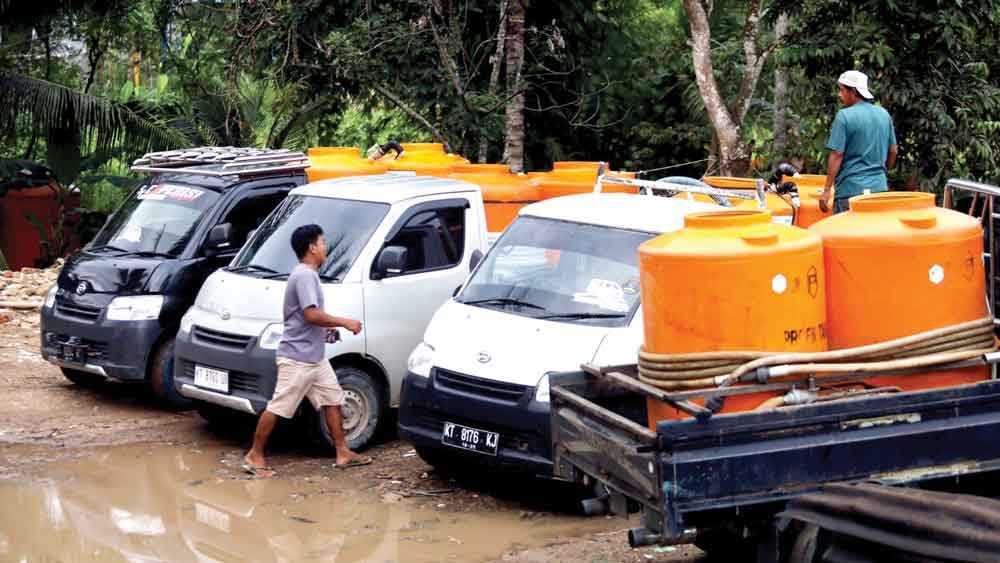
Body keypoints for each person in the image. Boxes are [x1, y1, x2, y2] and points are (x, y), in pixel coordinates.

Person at [243, 224, 371, 476]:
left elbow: (305, 319)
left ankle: (342, 452)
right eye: (322, 243)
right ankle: (254, 456)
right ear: (312, 248)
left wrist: (326, 333)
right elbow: (310, 314)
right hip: (297, 358)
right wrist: (345, 322)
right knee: (279, 406)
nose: (326, 248)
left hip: (314, 358)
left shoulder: (307, 275)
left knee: (333, 399)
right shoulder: (304, 275)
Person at [819, 70, 898, 214]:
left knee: (847, 236)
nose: (839, 95)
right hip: (878, 191)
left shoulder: (844, 116)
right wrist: (881, 172)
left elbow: (837, 154)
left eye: (842, 90)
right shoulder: (884, 114)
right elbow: (893, 151)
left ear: (853, 92)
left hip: (850, 192)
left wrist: (826, 191)